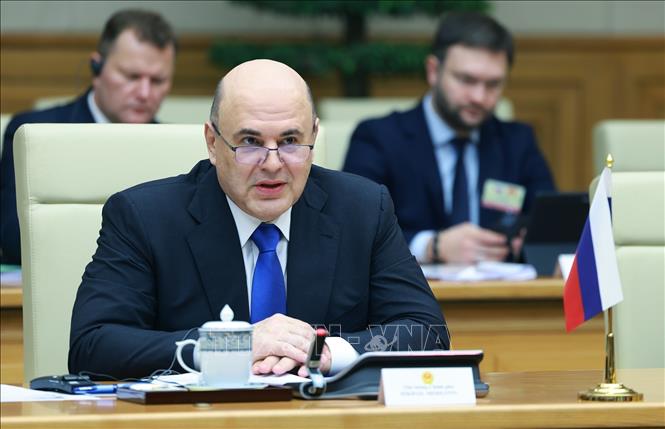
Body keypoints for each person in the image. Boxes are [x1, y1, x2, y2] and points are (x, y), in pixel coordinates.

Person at [68, 59, 449, 380]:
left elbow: (427, 331)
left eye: (290, 141)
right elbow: (93, 345)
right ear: (212, 143)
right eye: (250, 142)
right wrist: (232, 346)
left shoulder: (362, 209)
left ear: (314, 135)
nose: (272, 163)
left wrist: (326, 350)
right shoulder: (145, 217)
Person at [343, 12, 556, 265]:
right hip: (408, 286)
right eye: (466, 80)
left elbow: (548, 223)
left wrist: (529, 242)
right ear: (433, 71)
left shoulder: (517, 142)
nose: (479, 97)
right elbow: (353, 229)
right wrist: (431, 246)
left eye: (493, 84)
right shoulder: (379, 138)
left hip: (500, 285)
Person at [0, 9, 177, 264]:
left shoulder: (172, 144)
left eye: (158, 81)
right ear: (96, 68)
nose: (144, 93)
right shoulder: (36, 133)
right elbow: (14, 238)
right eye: (132, 76)